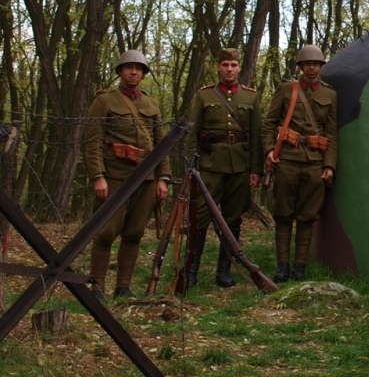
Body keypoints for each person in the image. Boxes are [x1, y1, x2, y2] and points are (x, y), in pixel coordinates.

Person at [84, 50, 171, 300]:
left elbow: (160, 144)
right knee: (105, 232)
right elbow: (93, 142)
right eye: (129, 68)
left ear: (144, 74)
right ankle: (97, 287)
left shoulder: (151, 103)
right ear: (120, 71)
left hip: (146, 178)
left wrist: (163, 178)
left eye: (138, 68)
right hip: (115, 176)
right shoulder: (105, 101)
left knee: (134, 233)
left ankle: (123, 287)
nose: (134, 72)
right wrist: (98, 176)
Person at [185, 48, 263, 288]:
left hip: (240, 166)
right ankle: (191, 271)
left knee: (232, 219)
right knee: (200, 218)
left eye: (233, 65)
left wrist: (256, 169)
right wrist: (191, 167)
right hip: (210, 166)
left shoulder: (251, 97)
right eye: (225, 65)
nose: (229, 69)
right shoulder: (204, 95)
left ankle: (224, 271)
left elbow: (256, 136)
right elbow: (192, 133)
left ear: (239, 68)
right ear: (218, 67)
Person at [263, 45, 338, 283]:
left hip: (315, 161)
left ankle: (300, 267)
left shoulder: (330, 94)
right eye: (307, 63)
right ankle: (282, 266)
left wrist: (329, 165)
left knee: (307, 216)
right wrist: (269, 150)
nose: (312, 67)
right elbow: (269, 123)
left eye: (316, 64)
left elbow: (332, 133)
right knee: (283, 214)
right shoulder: (287, 89)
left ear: (321, 66)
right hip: (287, 159)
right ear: (301, 66)